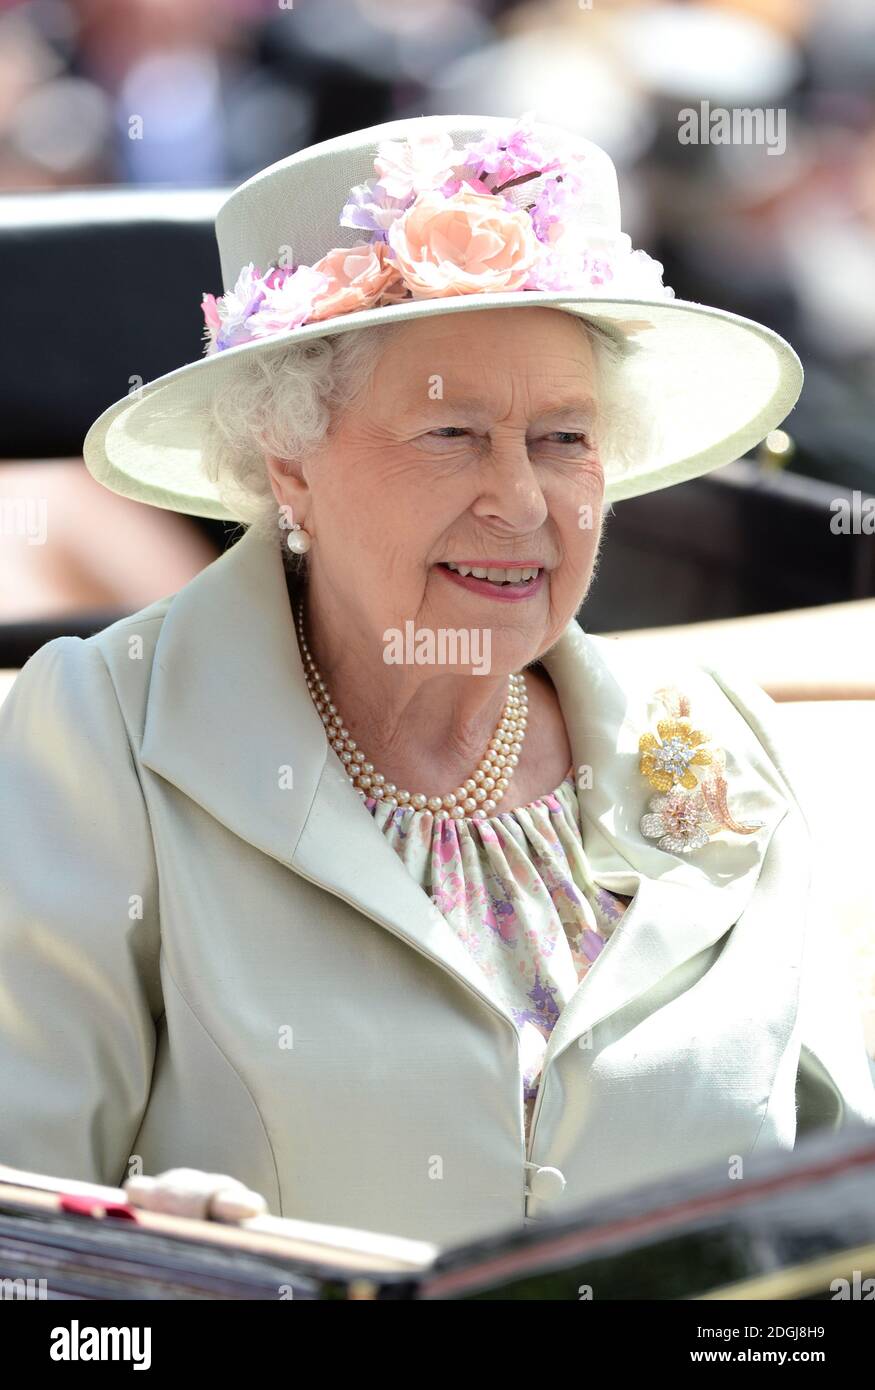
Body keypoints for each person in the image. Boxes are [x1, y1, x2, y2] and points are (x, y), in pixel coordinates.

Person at [1, 114, 872, 1248]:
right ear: (288, 459)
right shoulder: (103, 733)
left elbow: (835, 1193)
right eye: (451, 432)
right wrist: (132, 1272)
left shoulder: (711, 743)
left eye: (563, 439)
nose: (518, 502)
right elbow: (26, 1230)